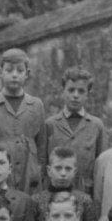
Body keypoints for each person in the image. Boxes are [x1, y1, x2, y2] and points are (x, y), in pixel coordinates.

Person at [0, 48, 46, 194]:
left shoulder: (36, 105)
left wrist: (38, 172)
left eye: (20, 70)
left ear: (27, 74)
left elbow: (42, 145)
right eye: (9, 70)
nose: (14, 75)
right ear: (1, 72)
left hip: (29, 175)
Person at [44, 67, 107, 195]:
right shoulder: (50, 124)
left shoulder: (96, 125)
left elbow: (102, 165)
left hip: (86, 192)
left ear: (87, 94)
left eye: (81, 91)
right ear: (63, 91)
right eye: (71, 90)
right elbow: (43, 162)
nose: (75, 95)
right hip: (55, 193)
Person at [31, 146, 97, 221]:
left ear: (74, 171)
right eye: (58, 168)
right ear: (49, 170)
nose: (63, 173)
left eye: (68, 169)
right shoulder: (36, 201)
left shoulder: (84, 200)